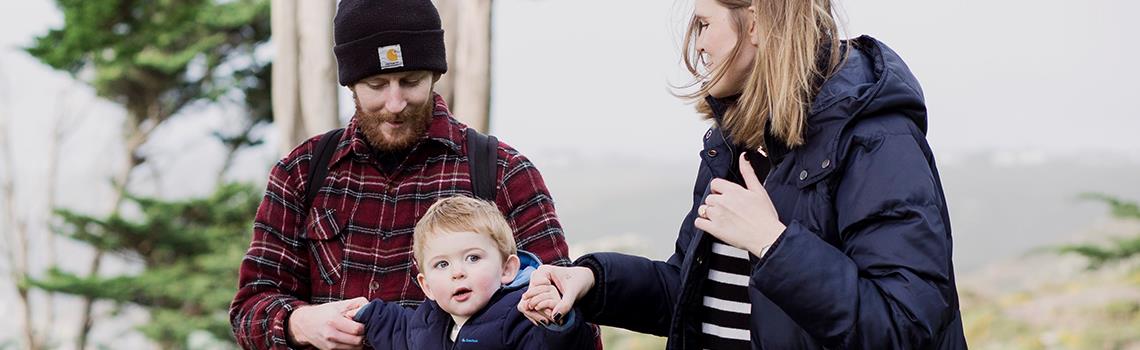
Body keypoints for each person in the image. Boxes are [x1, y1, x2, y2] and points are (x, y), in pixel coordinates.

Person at [519, 0, 967, 348]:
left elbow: (905, 328)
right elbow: (693, 296)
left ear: (755, 23)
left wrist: (772, 243)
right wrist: (592, 281)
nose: (697, 45)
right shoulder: (736, 143)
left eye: (705, 24)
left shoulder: (877, 139)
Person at [230, 1, 573, 349]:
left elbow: (571, 314)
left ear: (436, 75)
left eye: (410, 81)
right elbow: (249, 309)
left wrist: (556, 316)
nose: (395, 103)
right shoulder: (301, 173)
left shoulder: (504, 173)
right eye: (376, 84)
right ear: (350, 83)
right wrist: (299, 323)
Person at [346, 196, 593, 349]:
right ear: (427, 286)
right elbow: (400, 331)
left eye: (473, 258)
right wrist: (369, 315)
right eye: (442, 264)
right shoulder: (429, 322)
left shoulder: (520, 316)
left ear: (507, 269)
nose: (458, 273)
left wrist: (557, 326)